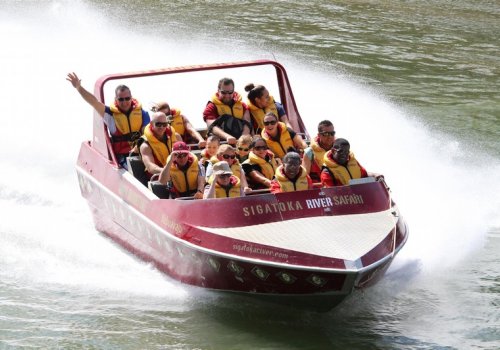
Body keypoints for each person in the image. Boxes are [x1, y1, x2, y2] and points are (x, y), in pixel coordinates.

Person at [66, 72, 150, 169]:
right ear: (116, 99)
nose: (125, 102)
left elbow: (147, 134)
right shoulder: (110, 114)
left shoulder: (142, 113)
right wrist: (79, 88)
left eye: (127, 98)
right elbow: (94, 102)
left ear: (131, 98)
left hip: (142, 151)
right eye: (121, 99)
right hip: (122, 156)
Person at [202, 77, 252, 145]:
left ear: (233, 91)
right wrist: (227, 137)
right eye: (223, 92)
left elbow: (247, 123)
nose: (227, 95)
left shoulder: (242, 105)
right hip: (221, 143)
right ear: (218, 91)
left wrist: (242, 139)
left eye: (230, 92)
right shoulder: (211, 106)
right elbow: (211, 126)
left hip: (241, 143)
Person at [138, 112, 181, 178]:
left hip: (176, 172)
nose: (162, 127)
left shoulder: (176, 136)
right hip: (158, 176)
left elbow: (185, 155)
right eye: (158, 124)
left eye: (164, 124)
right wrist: (167, 171)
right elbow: (150, 167)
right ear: (152, 124)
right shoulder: (145, 145)